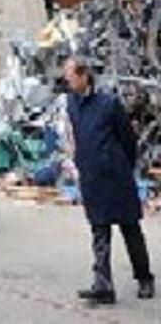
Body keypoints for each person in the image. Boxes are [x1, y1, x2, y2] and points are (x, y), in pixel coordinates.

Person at [64, 58, 154, 305]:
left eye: (70, 76)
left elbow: (128, 138)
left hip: (116, 177)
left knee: (130, 229)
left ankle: (144, 278)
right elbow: (76, 135)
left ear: (84, 76)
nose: (67, 81)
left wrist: (123, 164)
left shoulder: (109, 103)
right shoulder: (72, 103)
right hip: (91, 177)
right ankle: (103, 285)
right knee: (99, 232)